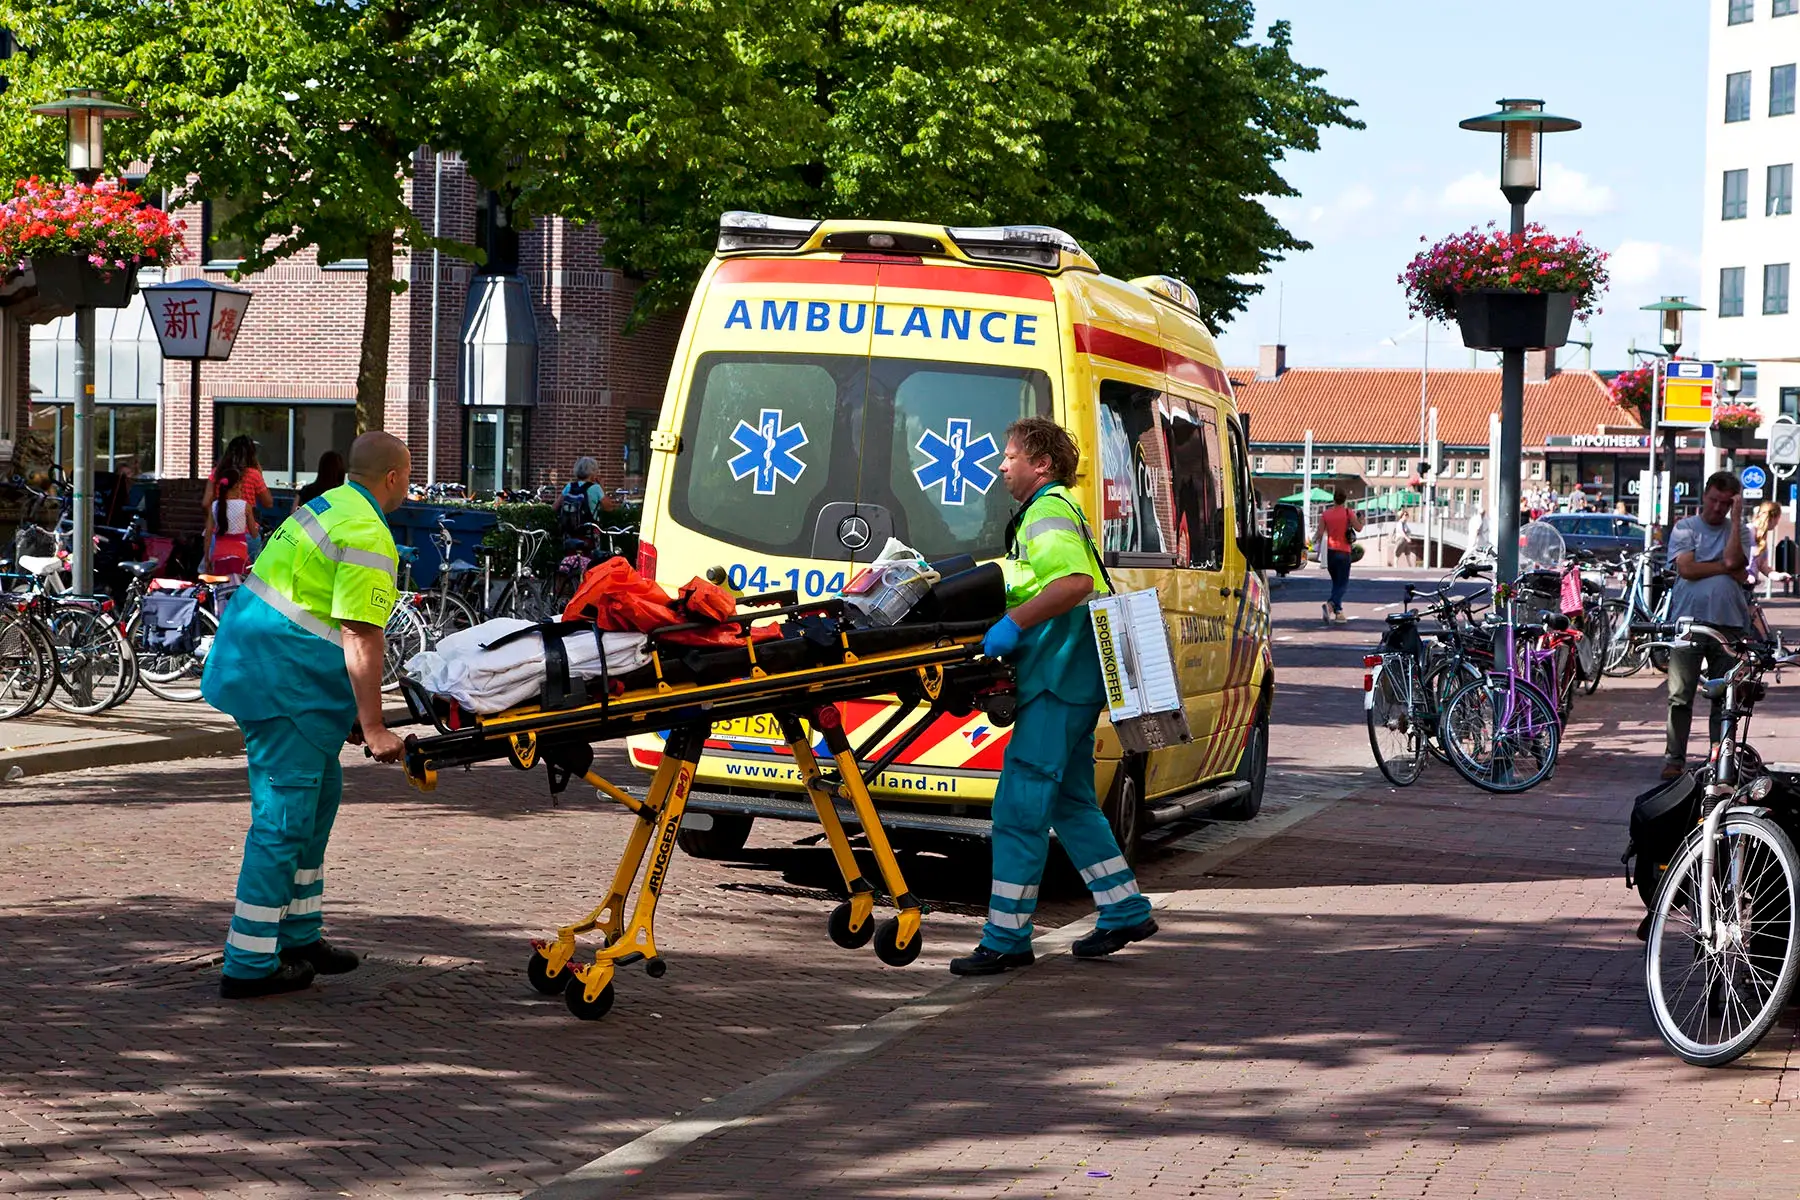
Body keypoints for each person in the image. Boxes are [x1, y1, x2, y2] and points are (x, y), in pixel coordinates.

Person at [201, 432, 411, 999]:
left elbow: (315, 607)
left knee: (315, 804)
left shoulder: (328, 505)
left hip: (269, 670)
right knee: (284, 820)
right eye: (408, 477)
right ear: (393, 477)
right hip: (284, 684)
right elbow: (360, 632)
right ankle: (249, 963)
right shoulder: (366, 531)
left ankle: (298, 934)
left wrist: (353, 710)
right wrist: (374, 726)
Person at [949, 417, 1155, 977]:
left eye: (1010, 456)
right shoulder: (1057, 509)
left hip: (1057, 678)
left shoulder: (1046, 512)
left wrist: (1013, 623)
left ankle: (1006, 938)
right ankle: (1124, 908)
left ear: (1040, 465)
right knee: (1070, 802)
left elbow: (1073, 583)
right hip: (1073, 677)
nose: (1001, 466)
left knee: (1019, 807)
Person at [1660, 470, 1755, 781]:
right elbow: (1687, 569)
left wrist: (1736, 520)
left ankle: (1720, 757)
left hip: (1730, 623)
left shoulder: (1740, 531)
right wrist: (1725, 568)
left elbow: (1735, 561)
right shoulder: (1685, 528)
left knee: (1725, 696)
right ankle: (1674, 759)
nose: (1717, 508)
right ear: (1704, 496)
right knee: (1680, 694)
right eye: (1714, 500)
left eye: (1726, 503)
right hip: (1689, 620)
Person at [204, 436, 275, 560]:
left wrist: (214, 516)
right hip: (246, 533)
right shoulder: (253, 474)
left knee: (219, 570)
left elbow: (206, 502)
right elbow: (268, 503)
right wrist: (259, 473)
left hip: (220, 532)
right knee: (247, 570)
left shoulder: (217, 472)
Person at [1313, 488, 1363, 625]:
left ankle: (1339, 613)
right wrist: (1361, 520)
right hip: (1344, 551)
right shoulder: (1348, 513)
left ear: (1334, 499)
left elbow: (1320, 533)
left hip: (1330, 552)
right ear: (1345, 499)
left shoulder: (1326, 514)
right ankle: (1330, 605)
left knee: (1336, 583)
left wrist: (1314, 545)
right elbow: (1358, 528)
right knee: (1343, 584)